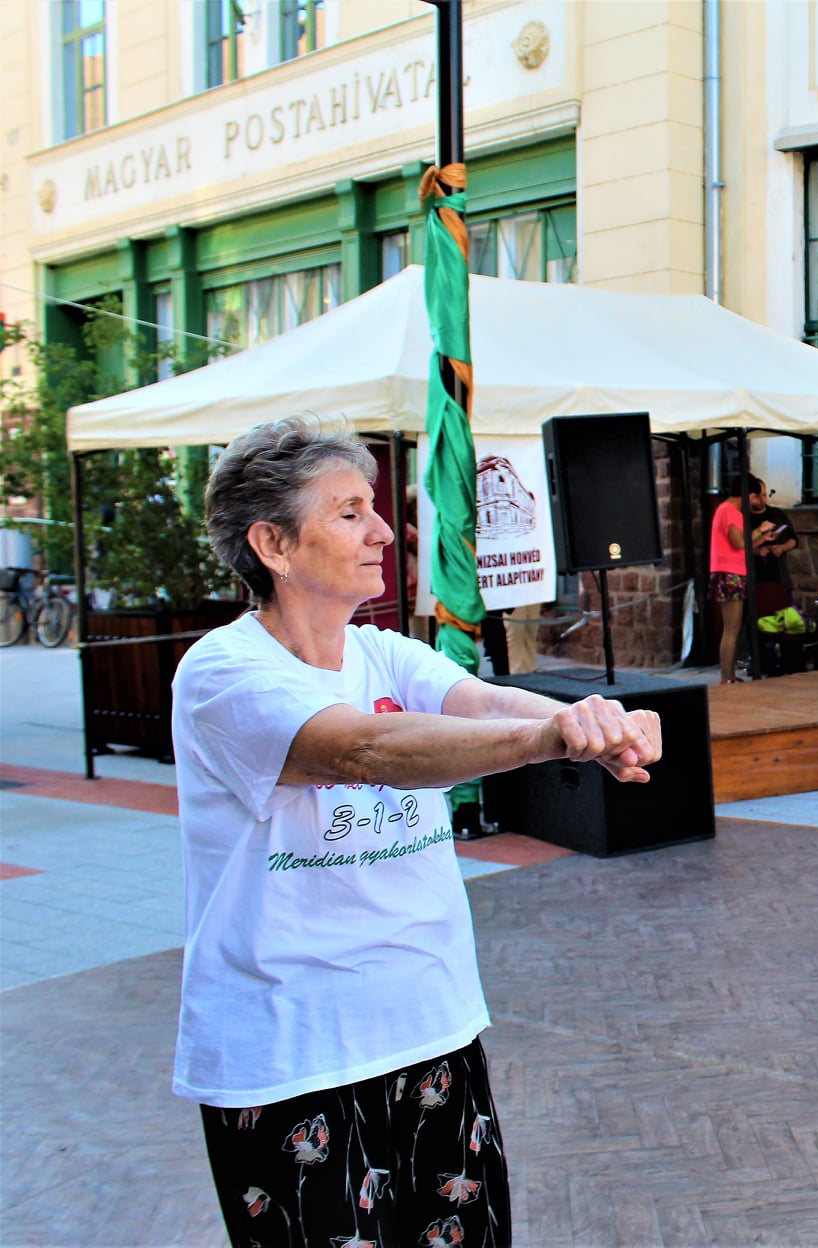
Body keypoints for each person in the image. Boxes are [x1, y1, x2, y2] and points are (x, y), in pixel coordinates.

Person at [178, 416, 663, 1248]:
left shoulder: (384, 653)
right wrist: (550, 738)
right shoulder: (224, 673)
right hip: (293, 1053)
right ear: (272, 544)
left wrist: (590, 723)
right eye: (349, 513)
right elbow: (365, 748)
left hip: (429, 1025)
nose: (383, 531)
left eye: (374, 508)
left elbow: (484, 703)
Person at [709, 476, 777, 684]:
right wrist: (760, 530)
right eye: (756, 496)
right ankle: (725, 679)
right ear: (749, 494)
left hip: (729, 573)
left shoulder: (726, 510)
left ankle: (730, 676)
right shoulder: (730, 511)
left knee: (734, 628)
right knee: (731, 629)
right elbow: (738, 542)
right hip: (730, 574)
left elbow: (741, 545)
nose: (757, 501)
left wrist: (761, 539)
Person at [750, 486, 798, 618]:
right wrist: (757, 551)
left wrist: (782, 547)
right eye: (758, 496)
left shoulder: (777, 514)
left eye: (764, 495)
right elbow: (740, 545)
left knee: (783, 618)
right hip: (755, 577)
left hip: (779, 575)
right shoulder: (745, 517)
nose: (762, 500)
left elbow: (793, 539)